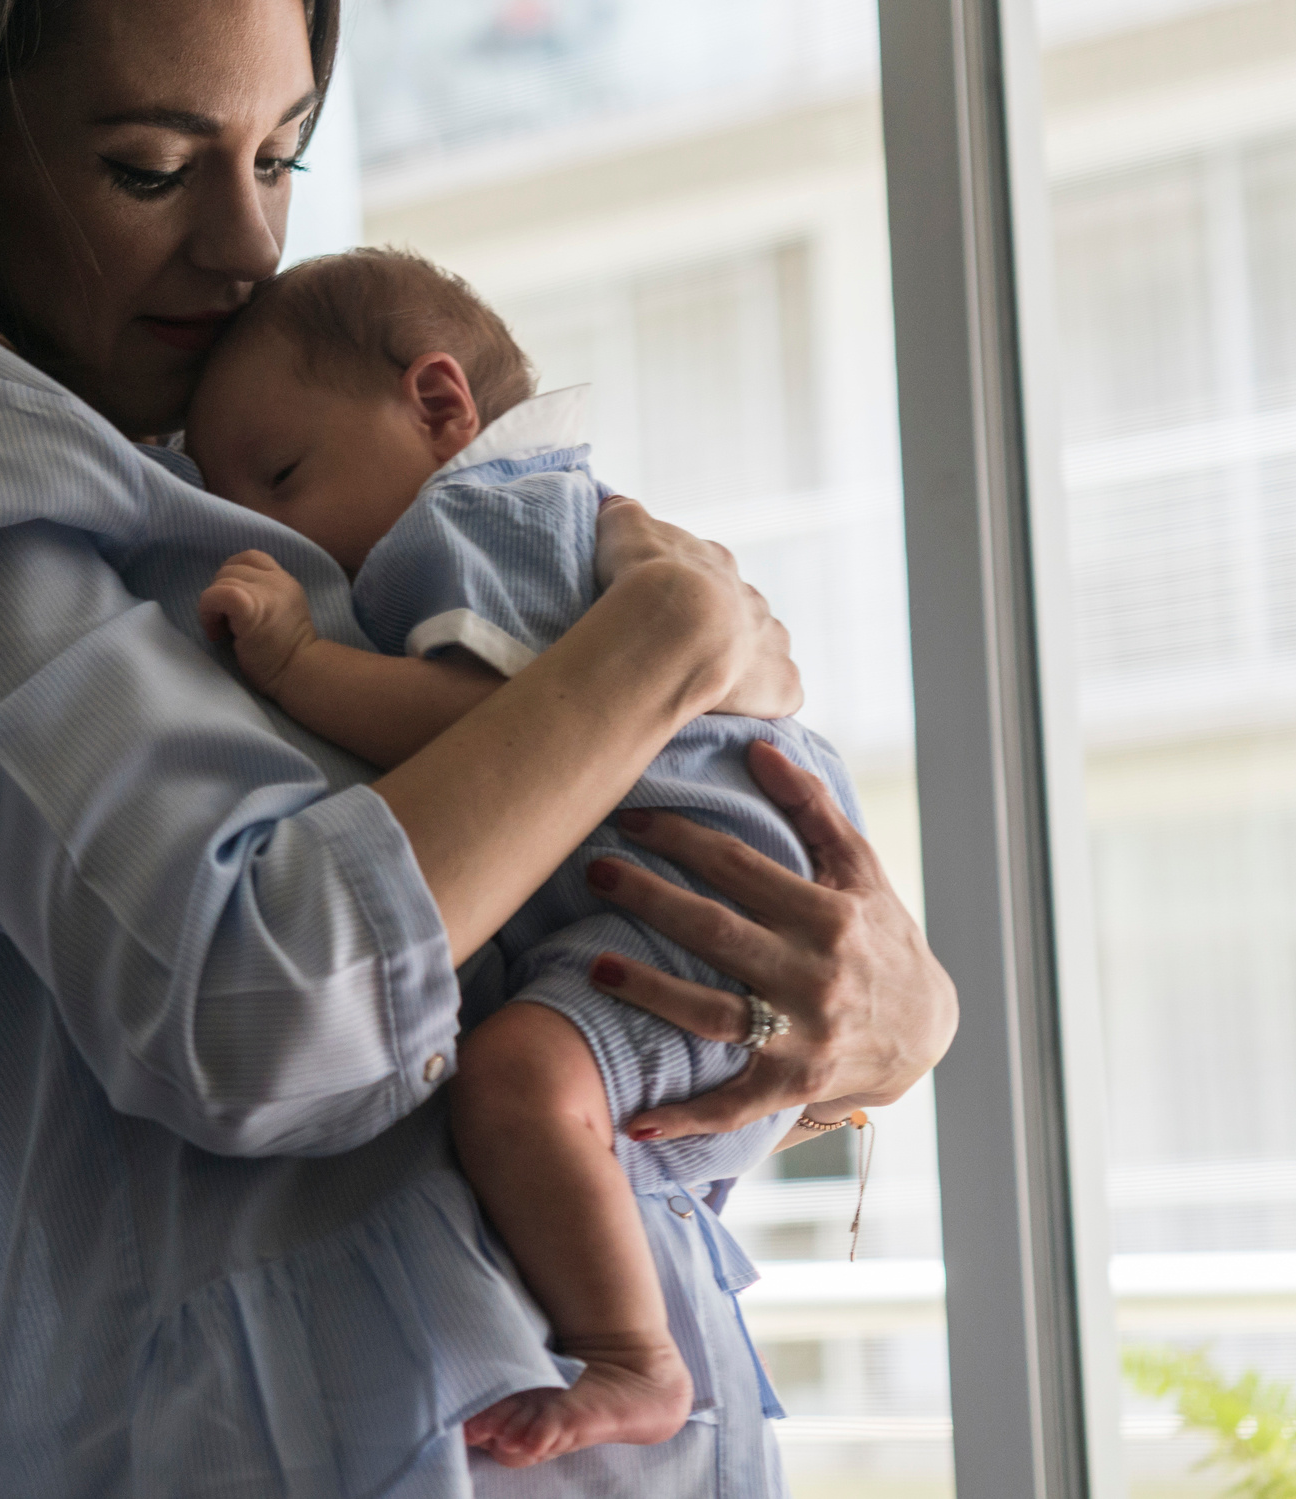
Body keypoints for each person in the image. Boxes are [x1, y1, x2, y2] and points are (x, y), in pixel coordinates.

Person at [0, 1, 958, 1495]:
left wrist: (875, 1031)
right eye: (151, 168)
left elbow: (528, 981)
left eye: (280, 157)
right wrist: (663, 643)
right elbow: (262, 1006)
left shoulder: (220, 464)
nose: (249, 246)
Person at [184, 248, 877, 1468]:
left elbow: (495, 732)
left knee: (515, 1080)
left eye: (283, 476)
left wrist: (296, 663)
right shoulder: (538, 509)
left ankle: (634, 1356)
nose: (270, 527)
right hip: (711, 894)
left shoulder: (480, 514)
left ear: (438, 404)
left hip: (699, 896)